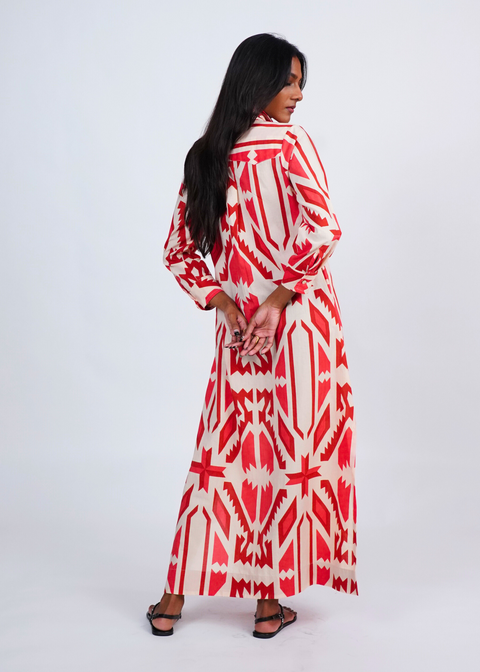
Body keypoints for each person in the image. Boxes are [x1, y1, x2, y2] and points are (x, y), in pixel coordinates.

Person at [147, 33, 357, 639]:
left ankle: (173, 603)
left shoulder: (207, 153)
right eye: (288, 81)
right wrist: (277, 299)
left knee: (224, 459)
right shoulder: (289, 144)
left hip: (240, 331)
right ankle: (267, 609)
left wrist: (226, 303)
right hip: (299, 329)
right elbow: (324, 229)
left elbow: (179, 251)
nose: (298, 95)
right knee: (285, 459)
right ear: (255, 80)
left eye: (301, 83)